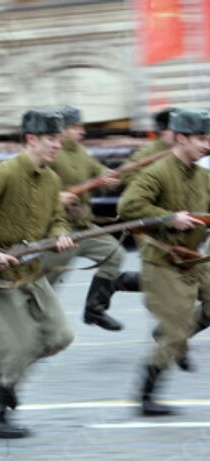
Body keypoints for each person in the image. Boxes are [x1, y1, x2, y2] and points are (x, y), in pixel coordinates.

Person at [0, 109, 75, 439]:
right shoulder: (3, 173)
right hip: (0, 274)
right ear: (31, 139)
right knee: (20, 342)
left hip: (33, 270)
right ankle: (0, 414)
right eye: (51, 140)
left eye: (58, 140)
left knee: (59, 336)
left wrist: (62, 232)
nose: (57, 146)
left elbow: (57, 218)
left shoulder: (51, 180)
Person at [118, 108, 210, 416]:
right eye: (201, 139)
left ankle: (175, 332)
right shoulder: (157, 172)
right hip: (164, 260)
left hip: (195, 257)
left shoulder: (203, 176)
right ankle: (146, 395)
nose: (207, 145)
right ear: (181, 138)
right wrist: (169, 218)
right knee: (176, 331)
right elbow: (128, 206)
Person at [43, 105, 140, 331]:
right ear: (62, 129)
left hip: (84, 226)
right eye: (75, 127)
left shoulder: (80, 151)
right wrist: (56, 197)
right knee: (47, 283)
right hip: (59, 231)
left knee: (114, 254)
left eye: (81, 126)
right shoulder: (51, 152)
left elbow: (98, 169)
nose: (81, 131)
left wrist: (108, 176)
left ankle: (95, 309)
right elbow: (33, 183)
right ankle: (32, 325)